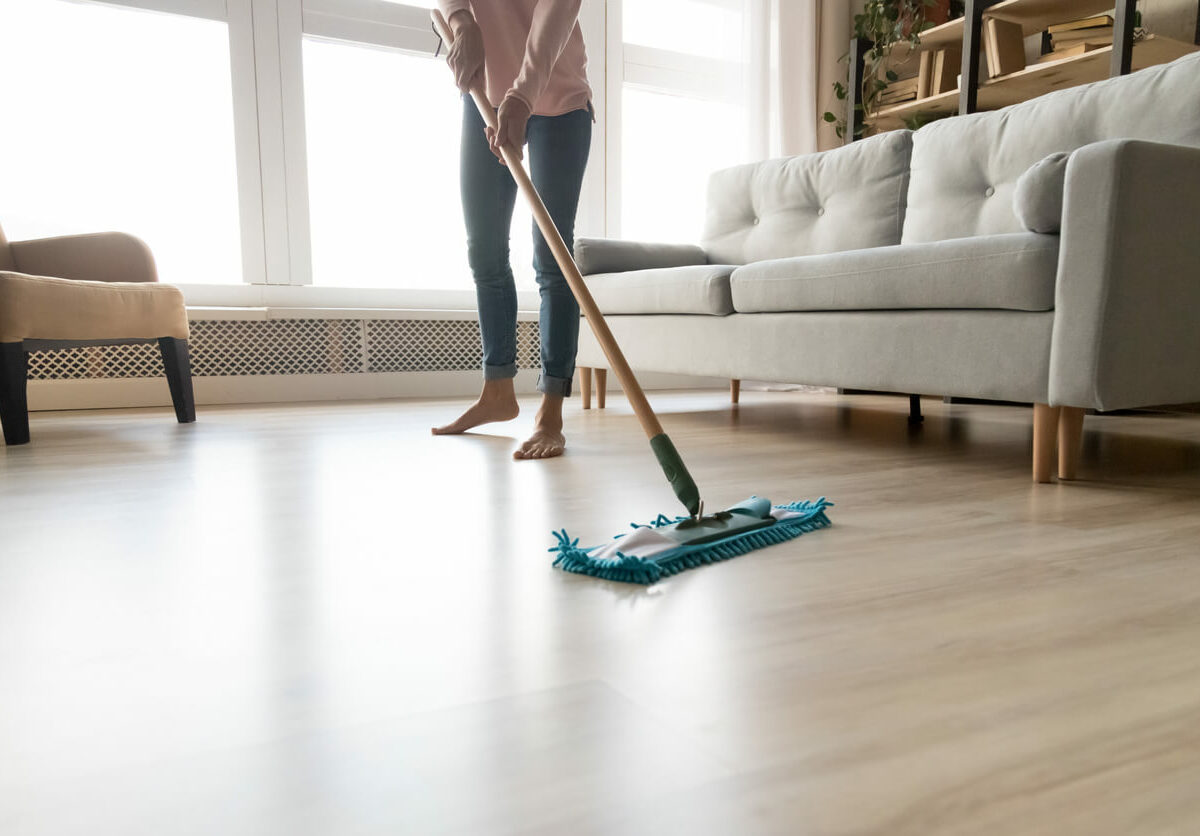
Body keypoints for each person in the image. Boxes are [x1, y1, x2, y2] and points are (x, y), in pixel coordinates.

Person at [431, 0, 592, 460]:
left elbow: (555, 17)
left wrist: (521, 97)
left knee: (552, 256)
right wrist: (462, 22)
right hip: (486, 94)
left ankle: (551, 411)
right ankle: (497, 392)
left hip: (558, 101)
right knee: (484, 249)